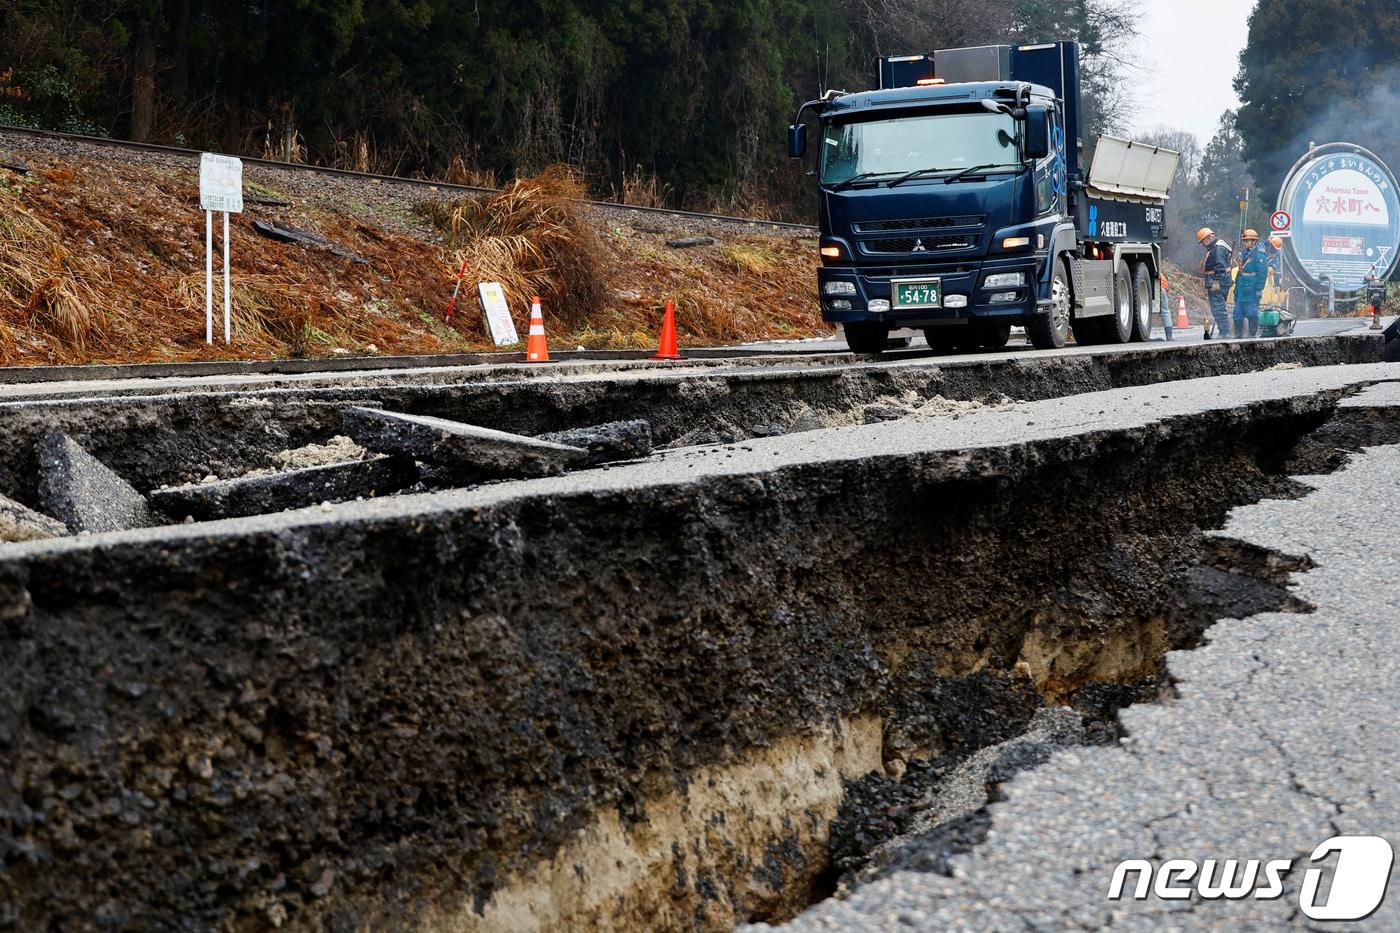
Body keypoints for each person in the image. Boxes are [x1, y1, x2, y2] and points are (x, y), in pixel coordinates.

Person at [1197, 228, 1233, 337]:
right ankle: (1224, 330)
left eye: (1203, 241)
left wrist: (1217, 281)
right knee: (1218, 307)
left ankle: (1224, 332)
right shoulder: (1216, 247)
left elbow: (1220, 266)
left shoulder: (1218, 248)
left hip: (1217, 282)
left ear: (1208, 238)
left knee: (1218, 307)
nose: (1203, 244)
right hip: (1219, 281)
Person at [1232, 229, 1267, 337]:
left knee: (1251, 312)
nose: (1244, 243)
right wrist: (1236, 287)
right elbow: (1240, 271)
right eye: (1244, 241)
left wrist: (1259, 289)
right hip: (1241, 289)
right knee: (1237, 313)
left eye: (1247, 241)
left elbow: (1262, 274)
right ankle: (1238, 335)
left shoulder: (1259, 255)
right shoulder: (1244, 253)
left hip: (1251, 289)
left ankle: (1252, 335)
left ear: (1253, 241)